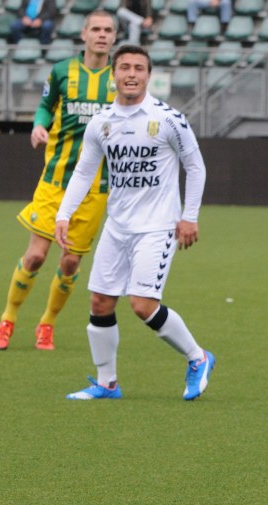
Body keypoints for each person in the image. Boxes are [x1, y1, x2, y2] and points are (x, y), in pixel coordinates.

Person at [54, 44, 214, 402]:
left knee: (141, 304)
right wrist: (64, 213)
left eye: (138, 68)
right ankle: (107, 383)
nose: (131, 74)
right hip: (117, 225)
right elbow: (83, 172)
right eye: (124, 67)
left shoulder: (168, 118)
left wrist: (189, 217)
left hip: (158, 227)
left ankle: (198, 357)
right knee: (100, 302)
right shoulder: (101, 122)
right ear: (113, 75)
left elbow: (196, 166)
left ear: (148, 75)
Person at [0, 11, 117, 351]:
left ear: (114, 37)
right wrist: (38, 125)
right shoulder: (63, 71)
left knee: (71, 261)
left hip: (95, 187)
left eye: (108, 30)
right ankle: (8, 319)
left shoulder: (120, 77)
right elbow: (45, 106)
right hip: (56, 180)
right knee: (35, 256)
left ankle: (46, 323)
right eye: (96, 29)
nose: (102, 35)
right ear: (84, 34)